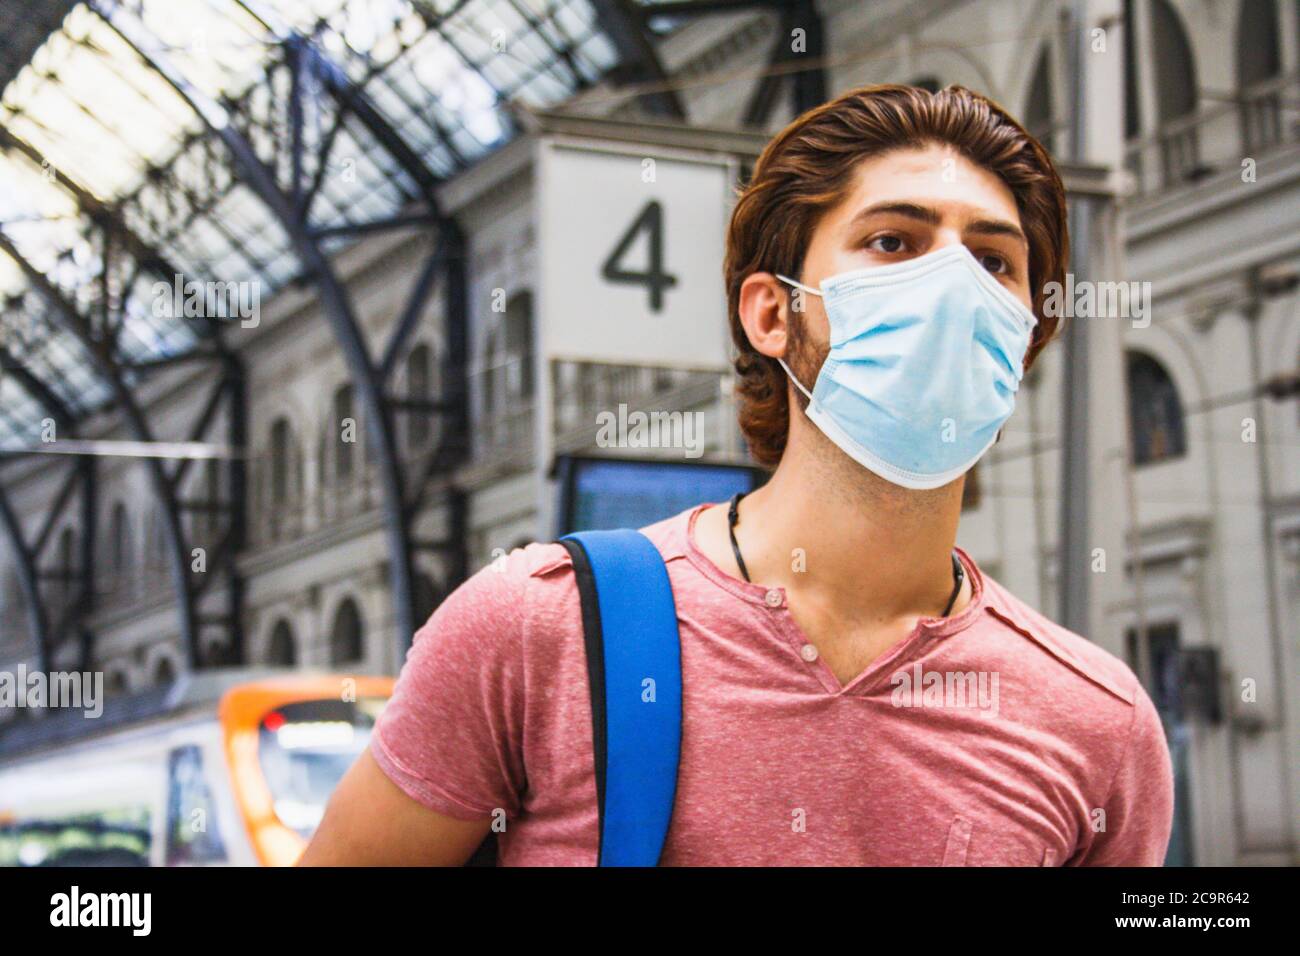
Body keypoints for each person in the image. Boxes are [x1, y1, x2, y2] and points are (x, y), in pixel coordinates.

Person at [301, 84, 1174, 866]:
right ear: (770, 312)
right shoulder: (539, 629)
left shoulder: (1096, 724)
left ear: (1025, 333)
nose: (951, 283)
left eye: (993, 262)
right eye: (893, 240)